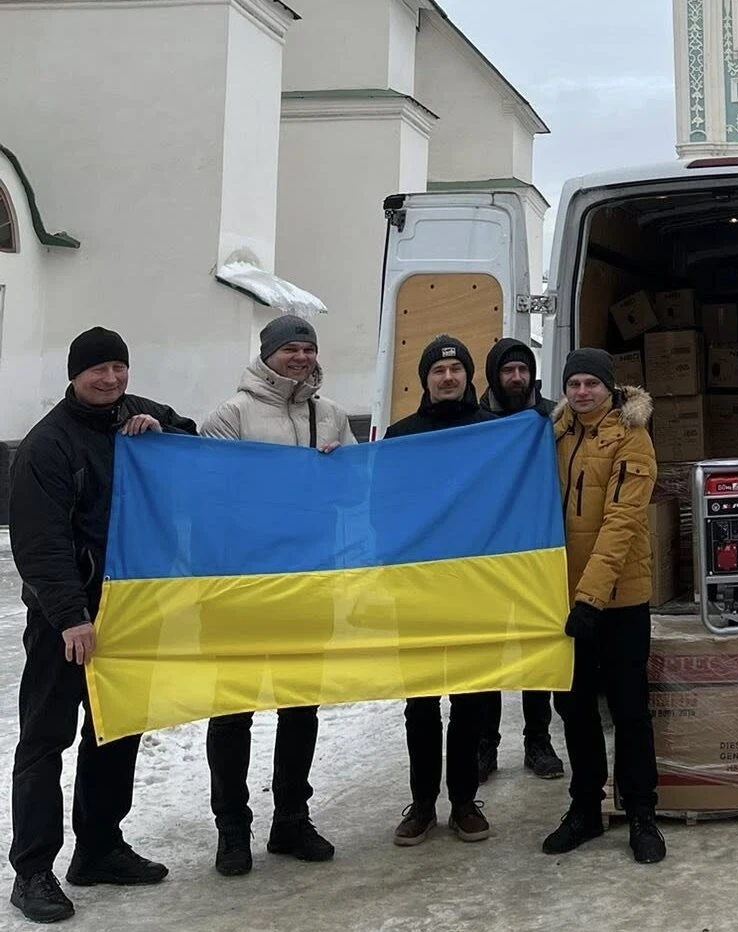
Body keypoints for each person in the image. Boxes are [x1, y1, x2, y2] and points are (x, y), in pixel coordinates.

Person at [8, 328, 195, 923]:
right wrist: (69, 618)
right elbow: (40, 543)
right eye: (97, 370)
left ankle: (99, 847)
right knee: (46, 739)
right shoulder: (48, 445)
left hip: (132, 610)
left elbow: (195, 444)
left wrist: (164, 435)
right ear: (74, 374)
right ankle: (33, 870)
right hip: (67, 623)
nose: (109, 379)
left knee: (115, 730)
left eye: (118, 367)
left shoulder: (139, 415)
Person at [199, 314, 354, 877]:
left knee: (300, 706)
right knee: (233, 711)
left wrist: (340, 473)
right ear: (266, 355)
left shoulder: (332, 415)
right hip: (240, 587)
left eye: (308, 348)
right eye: (290, 348)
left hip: (307, 583)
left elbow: (355, 493)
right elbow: (213, 495)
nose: (300, 357)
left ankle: (291, 817)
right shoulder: (231, 415)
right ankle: (231, 827)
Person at [540, 349, 666, 865]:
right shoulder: (553, 434)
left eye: (593, 383)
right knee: (574, 711)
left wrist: (591, 597)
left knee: (630, 709)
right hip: (562, 599)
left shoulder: (632, 438)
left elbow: (621, 525)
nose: (583, 392)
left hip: (619, 600)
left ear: (611, 388)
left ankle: (641, 813)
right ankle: (585, 809)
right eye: (574, 383)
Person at [386, 335, 500, 846]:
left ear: (469, 376)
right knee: (421, 703)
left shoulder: (495, 433)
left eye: (457, 368)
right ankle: (423, 804)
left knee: (472, 698)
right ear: (425, 380)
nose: (448, 377)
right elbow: (379, 504)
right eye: (439, 370)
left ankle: (463, 801)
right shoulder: (400, 435)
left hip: (476, 587)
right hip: (417, 588)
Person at [476, 337, 564, 784]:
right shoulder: (472, 423)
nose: (516, 378)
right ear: (494, 375)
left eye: (522, 370)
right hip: (484, 558)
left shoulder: (551, 417)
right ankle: (484, 746)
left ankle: (538, 742)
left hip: (536, 551)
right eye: (508, 371)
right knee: (489, 654)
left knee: (536, 650)